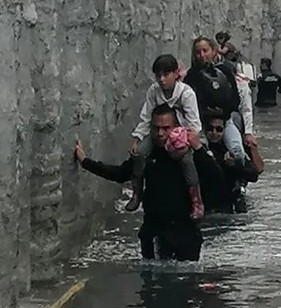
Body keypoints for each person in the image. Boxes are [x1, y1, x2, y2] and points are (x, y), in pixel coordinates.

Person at [75, 105, 222, 261]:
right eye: (156, 128)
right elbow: (120, 173)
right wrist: (85, 162)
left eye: (166, 128)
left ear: (176, 128)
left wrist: (197, 147)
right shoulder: (145, 155)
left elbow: (217, 177)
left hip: (185, 233)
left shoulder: (189, 154)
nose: (160, 133)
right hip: (154, 232)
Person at [129, 54, 204, 219]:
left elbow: (194, 123)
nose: (162, 80)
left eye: (166, 74)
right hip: (157, 131)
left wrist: (186, 141)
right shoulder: (154, 91)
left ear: (176, 74)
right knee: (139, 153)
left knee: (186, 160)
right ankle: (137, 193)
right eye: (158, 76)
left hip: (180, 133)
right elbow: (146, 117)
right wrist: (137, 138)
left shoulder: (186, 93)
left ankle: (196, 201)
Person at [185, 36, 248, 166]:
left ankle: (239, 182)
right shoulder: (191, 76)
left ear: (213, 51)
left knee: (237, 152)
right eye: (198, 52)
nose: (201, 55)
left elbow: (235, 99)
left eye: (205, 50)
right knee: (202, 154)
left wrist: (222, 115)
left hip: (224, 121)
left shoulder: (225, 71)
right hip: (201, 123)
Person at [203, 109, 264, 212]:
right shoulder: (201, 150)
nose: (214, 133)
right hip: (209, 201)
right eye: (210, 129)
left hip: (230, 201)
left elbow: (254, 175)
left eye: (219, 129)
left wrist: (234, 166)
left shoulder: (230, 149)